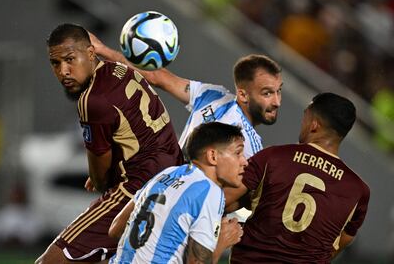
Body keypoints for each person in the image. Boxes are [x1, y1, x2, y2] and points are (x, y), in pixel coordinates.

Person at [89, 33, 283, 221]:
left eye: (278, 92)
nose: (277, 102)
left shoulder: (250, 148)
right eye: (267, 94)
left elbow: (221, 203)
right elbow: (157, 76)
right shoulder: (213, 96)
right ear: (243, 95)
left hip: (163, 210)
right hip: (152, 195)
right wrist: (103, 50)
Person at [36, 23, 183, 264]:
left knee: (51, 261)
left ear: (91, 54)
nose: (64, 71)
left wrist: (98, 175)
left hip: (138, 189)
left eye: (70, 59)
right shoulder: (120, 70)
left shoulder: (92, 100)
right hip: (173, 178)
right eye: (56, 63)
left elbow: (100, 177)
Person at [224, 92, 370, 262]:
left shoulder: (274, 157)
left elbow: (224, 200)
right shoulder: (358, 191)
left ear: (314, 125)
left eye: (305, 117)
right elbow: (338, 244)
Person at [108, 122, 247, 264]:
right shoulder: (210, 191)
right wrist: (222, 242)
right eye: (238, 153)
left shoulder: (166, 173)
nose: (244, 161)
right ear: (213, 156)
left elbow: (115, 229)